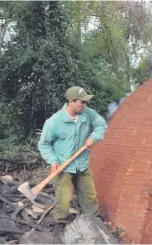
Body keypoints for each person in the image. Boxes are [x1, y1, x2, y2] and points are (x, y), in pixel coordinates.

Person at [37, 86, 107, 234]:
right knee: (64, 199)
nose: (84, 105)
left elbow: (101, 125)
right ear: (71, 102)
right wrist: (53, 160)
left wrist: (93, 137)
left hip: (82, 163)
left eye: (85, 102)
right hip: (64, 166)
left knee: (90, 196)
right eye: (81, 102)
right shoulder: (54, 122)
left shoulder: (87, 114)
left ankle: (92, 221)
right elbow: (44, 144)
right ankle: (60, 224)